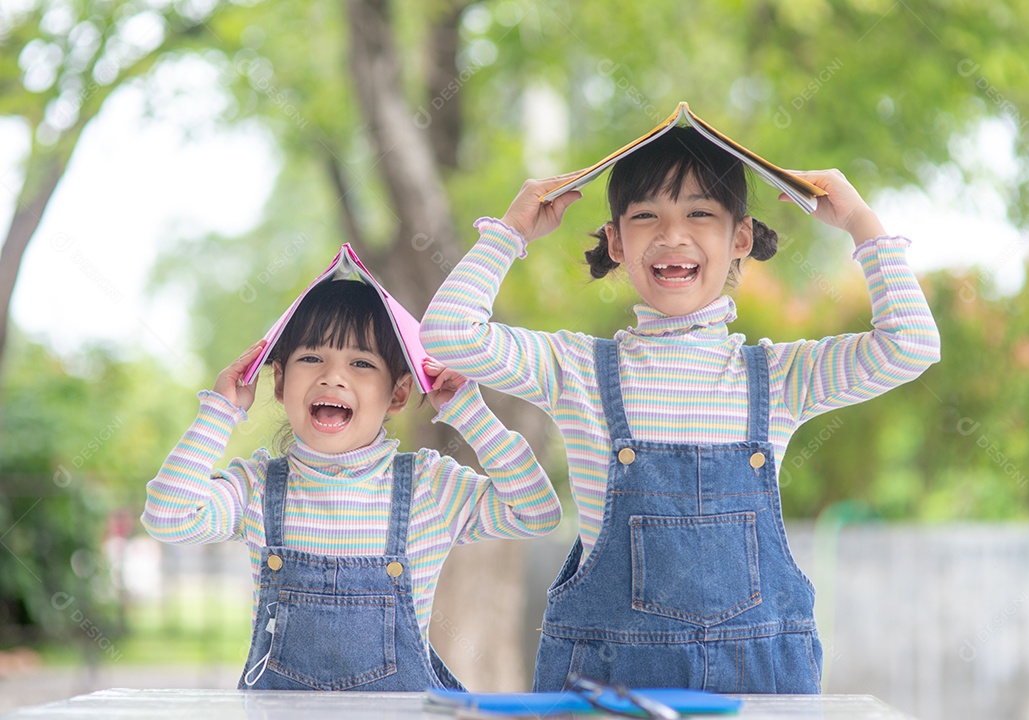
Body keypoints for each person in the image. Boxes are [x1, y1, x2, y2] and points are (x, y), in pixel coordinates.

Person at [419, 127, 941, 693]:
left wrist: (861, 223)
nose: (672, 235)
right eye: (645, 216)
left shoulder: (782, 378)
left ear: (740, 236)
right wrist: (512, 232)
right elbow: (448, 333)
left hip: (758, 685)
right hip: (611, 684)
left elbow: (910, 344)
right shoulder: (574, 368)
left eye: (699, 214)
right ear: (616, 242)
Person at [142, 279, 561, 691]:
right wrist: (219, 413)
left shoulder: (428, 487)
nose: (332, 378)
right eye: (311, 358)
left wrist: (470, 413)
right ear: (280, 381)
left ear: (398, 393)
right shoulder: (256, 488)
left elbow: (536, 512)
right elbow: (168, 517)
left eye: (361, 363)